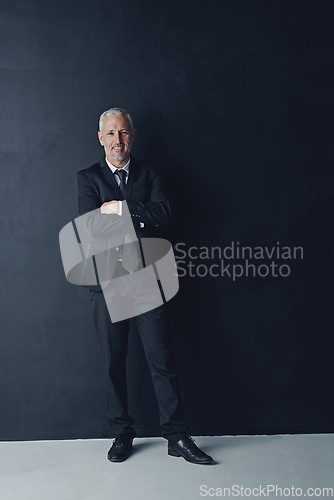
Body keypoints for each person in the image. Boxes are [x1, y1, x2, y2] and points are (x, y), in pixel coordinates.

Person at [76, 107, 213, 465]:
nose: (117, 141)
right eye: (110, 134)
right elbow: (90, 228)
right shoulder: (87, 178)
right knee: (112, 363)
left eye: (123, 133)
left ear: (131, 137)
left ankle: (177, 437)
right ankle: (121, 433)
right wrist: (138, 214)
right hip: (107, 284)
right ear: (100, 139)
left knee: (162, 361)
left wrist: (120, 209)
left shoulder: (150, 173)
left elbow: (164, 212)